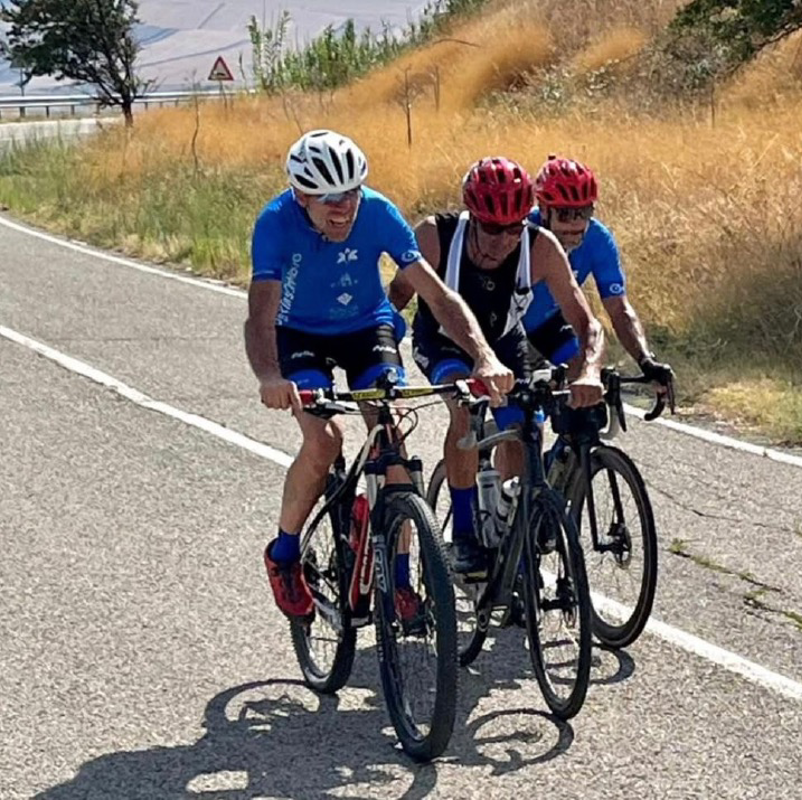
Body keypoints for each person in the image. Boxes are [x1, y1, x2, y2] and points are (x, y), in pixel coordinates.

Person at [245, 130, 513, 621]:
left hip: (368, 327)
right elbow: (260, 317)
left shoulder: (379, 213)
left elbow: (438, 296)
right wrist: (269, 376)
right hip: (298, 334)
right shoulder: (275, 224)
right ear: (301, 195)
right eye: (328, 198)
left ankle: (402, 581)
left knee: (391, 437)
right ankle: (283, 554)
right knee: (324, 440)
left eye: (351, 193)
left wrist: (483, 356)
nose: (343, 207)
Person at [388, 156, 605, 574]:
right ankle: (464, 533)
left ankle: (511, 523)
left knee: (524, 427)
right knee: (466, 409)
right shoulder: (435, 236)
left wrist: (589, 371)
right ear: (472, 216)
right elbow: (396, 297)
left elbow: (586, 323)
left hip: (504, 342)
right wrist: (379, 355)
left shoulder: (540, 247)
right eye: (491, 227)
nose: (502, 239)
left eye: (513, 228)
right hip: (444, 343)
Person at [523, 155, 673, 393]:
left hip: (547, 324)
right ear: (542, 209)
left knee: (585, 383)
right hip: (505, 326)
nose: (574, 224)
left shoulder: (598, 239)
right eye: (564, 214)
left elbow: (619, 309)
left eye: (583, 212)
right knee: (513, 405)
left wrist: (645, 361)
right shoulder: (519, 235)